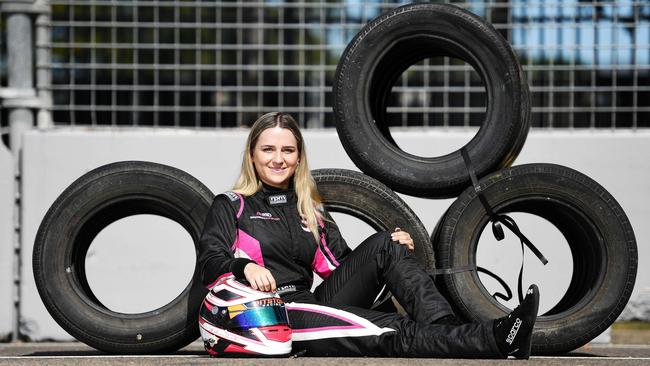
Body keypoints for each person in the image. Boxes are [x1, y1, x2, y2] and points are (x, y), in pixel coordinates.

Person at [197, 112, 540, 359]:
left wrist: (392, 248)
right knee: (385, 330)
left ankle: (447, 329)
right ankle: (496, 338)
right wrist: (244, 268)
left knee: (386, 242)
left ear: (299, 157)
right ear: (253, 156)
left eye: (287, 150)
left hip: (314, 302)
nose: (278, 159)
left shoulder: (309, 208)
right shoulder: (232, 205)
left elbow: (341, 266)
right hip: (278, 315)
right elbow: (210, 263)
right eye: (268, 150)